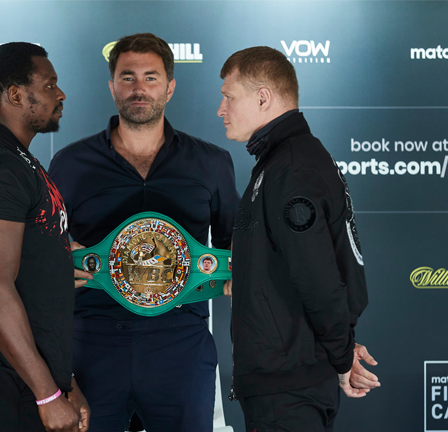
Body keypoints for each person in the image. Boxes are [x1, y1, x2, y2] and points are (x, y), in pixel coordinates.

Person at [48, 33, 240, 432]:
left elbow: (234, 245)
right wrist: (54, 264)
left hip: (180, 343)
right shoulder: (69, 164)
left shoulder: (212, 163)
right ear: (111, 86)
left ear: (170, 87)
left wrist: (237, 273)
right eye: (128, 77)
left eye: (151, 78)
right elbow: (41, 249)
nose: (139, 89)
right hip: (92, 344)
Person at [217, 46, 380, 431]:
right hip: (289, 381)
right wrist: (339, 354)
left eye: (227, 97)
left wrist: (340, 356)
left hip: (288, 389)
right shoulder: (282, 162)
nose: (221, 110)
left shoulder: (290, 168)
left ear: (262, 97)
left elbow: (319, 277)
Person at [0, 42, 89, 432]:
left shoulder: (15, 159)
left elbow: (31, 272)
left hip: (28, 377)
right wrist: (47, 394)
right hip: (13, 383)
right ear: (15, 94)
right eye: (49, 85)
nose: (60, 95)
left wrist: (63, 382)